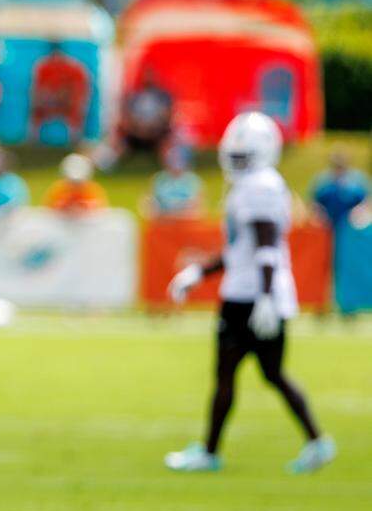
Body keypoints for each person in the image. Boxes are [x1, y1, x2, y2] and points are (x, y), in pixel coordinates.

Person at [165, 112, 335, 474]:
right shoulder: (257, 184)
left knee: (229, 374)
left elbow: (266, 246)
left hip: (250, 297)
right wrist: (199, 272)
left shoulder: (259, 187)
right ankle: (317, 442)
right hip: (258, 293)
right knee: (272, 374)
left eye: (245, 155)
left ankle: (210, 452)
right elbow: (242, 249)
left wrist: (264, 297)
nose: (238, 161)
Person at [311, 147, 370, 316]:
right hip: (327, 233)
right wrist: (319, 215)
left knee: (349, 268)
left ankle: (348, 305)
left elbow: (366, 202)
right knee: (323, 268)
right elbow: (315, 204)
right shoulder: (324, 183)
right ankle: (322, 305)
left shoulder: (356, 183)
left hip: (350, 236)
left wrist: (359, 213)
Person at [144, 146, 203, 220]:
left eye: (179, 159)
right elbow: (151, 199)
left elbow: (196, 202)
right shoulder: (160, 179)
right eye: (173, 159)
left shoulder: (192, 180)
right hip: (163, 217)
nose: (175, 162)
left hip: (185, 217)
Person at [43, 153, 108, 215]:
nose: (75, 186)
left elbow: (100, 211)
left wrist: (85, 207)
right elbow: (48, 212)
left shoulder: (93, 190)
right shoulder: (58, 190)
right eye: (72, 182)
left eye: (78, 183)